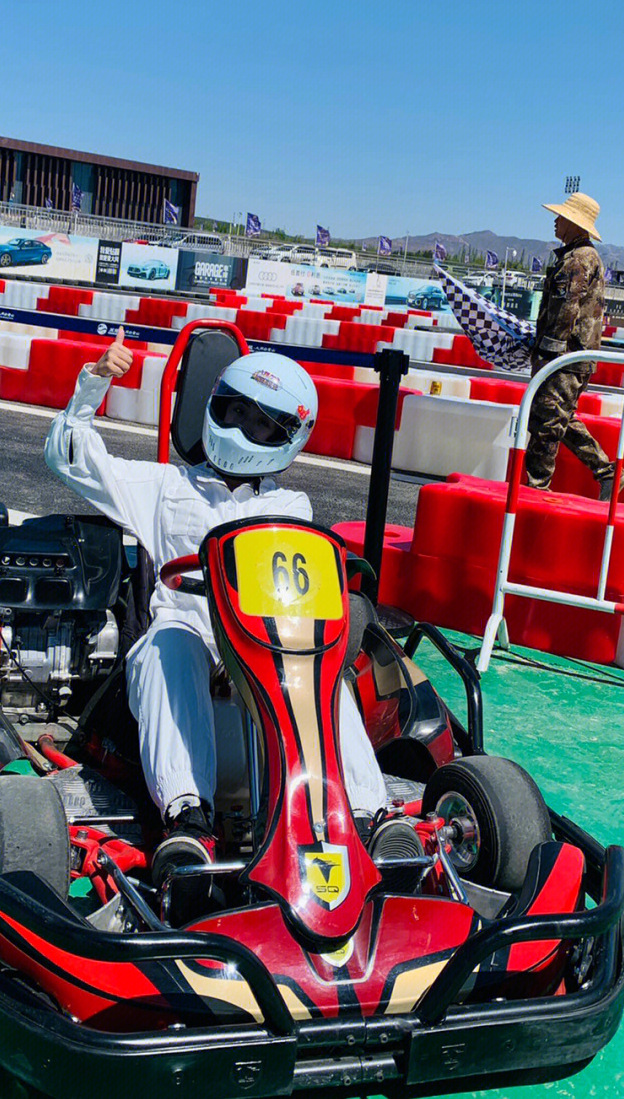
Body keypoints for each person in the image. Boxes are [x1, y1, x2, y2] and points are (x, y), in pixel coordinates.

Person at [45, 330, 390, 883]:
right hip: (191, 640)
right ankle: (187, 817)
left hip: (271, 653)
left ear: (284, 437)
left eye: (257, 423)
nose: (238, 430)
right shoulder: (164, 486)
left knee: (322, 673)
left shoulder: (289, 505)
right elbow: (69, 458)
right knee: (168, 643)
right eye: (232, 411)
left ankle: (372, 818)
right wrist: (95, 382)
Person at [525, 191, 624, 501]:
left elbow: (564, 312)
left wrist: (545, 355)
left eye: (560, 217)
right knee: (560, 416)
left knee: (545, 425)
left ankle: (536, 490)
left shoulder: (577, 259)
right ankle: (607, 473)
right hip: (574, 356)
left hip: (564, 356)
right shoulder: (582, 256)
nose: (555, 221)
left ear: (574, 223)